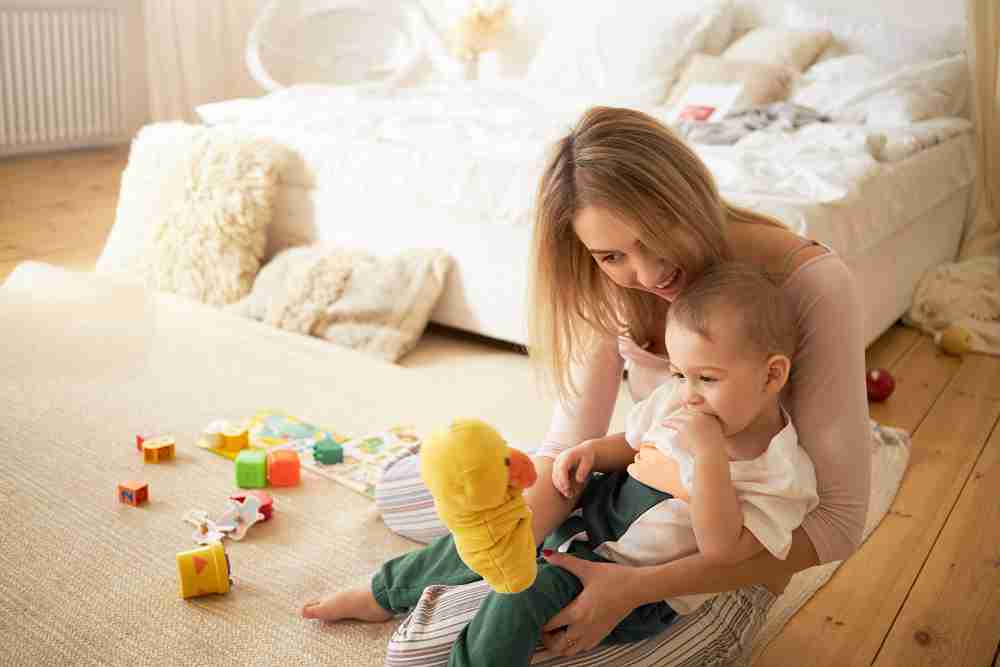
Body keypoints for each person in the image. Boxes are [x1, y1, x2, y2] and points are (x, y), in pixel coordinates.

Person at [370, 105, 872, 666]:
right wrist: (513, 549)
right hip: (621, 504)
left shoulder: (808, 284)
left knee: (417, 654)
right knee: (403, 494)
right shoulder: (609, 276)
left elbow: (837, 525)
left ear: (690, 199)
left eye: (657, 238)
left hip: (716, 559)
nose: (651, 275)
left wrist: (631, 588)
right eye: (612, 256)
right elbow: (568, 449)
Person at [300, 264, 818, 667]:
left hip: (630, 577)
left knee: (523, 593)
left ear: (772, 375)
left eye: (706, 379)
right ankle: (380, 591)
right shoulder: (674, 400)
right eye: (680, 374)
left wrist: (708, 458)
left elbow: (723, 550)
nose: (688, 395)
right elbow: (630, 443)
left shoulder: (780, 472)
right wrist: (593, 452)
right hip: (586, 519)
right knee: (494, 534)